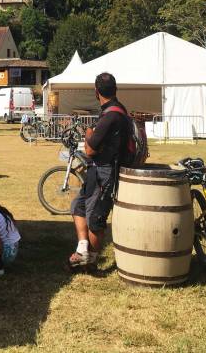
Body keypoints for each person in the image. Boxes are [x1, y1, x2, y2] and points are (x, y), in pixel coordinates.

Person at [68, 73, 129, 271]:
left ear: (96, 92)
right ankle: (83, 249)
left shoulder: (111, 115)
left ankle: (90, 262)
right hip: (98, 170)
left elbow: (90, 149)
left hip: (105, 171)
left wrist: (88, 134)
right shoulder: (118, 110)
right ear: (115, 89)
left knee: (95, 217)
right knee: (78, 206)